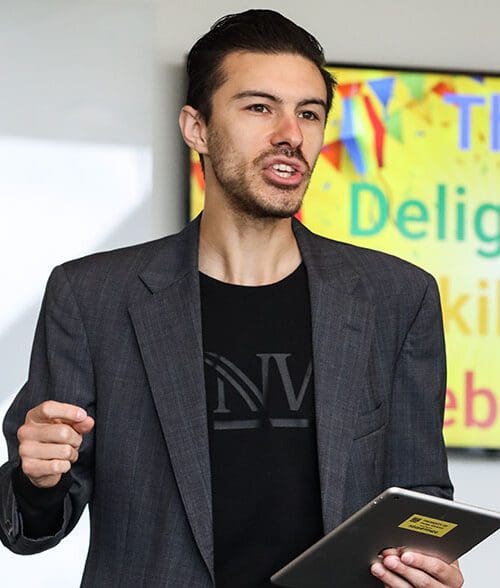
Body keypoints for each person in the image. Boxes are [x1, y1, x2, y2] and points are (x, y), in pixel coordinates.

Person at [0, 9, 463, 588]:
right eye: (259, 107)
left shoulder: (397, 297)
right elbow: (32, 523)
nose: (290, 134)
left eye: (309, 113)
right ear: (196, 127)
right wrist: (36, 480)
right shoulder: (92, 296)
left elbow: (419, 499)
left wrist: (427, 566)